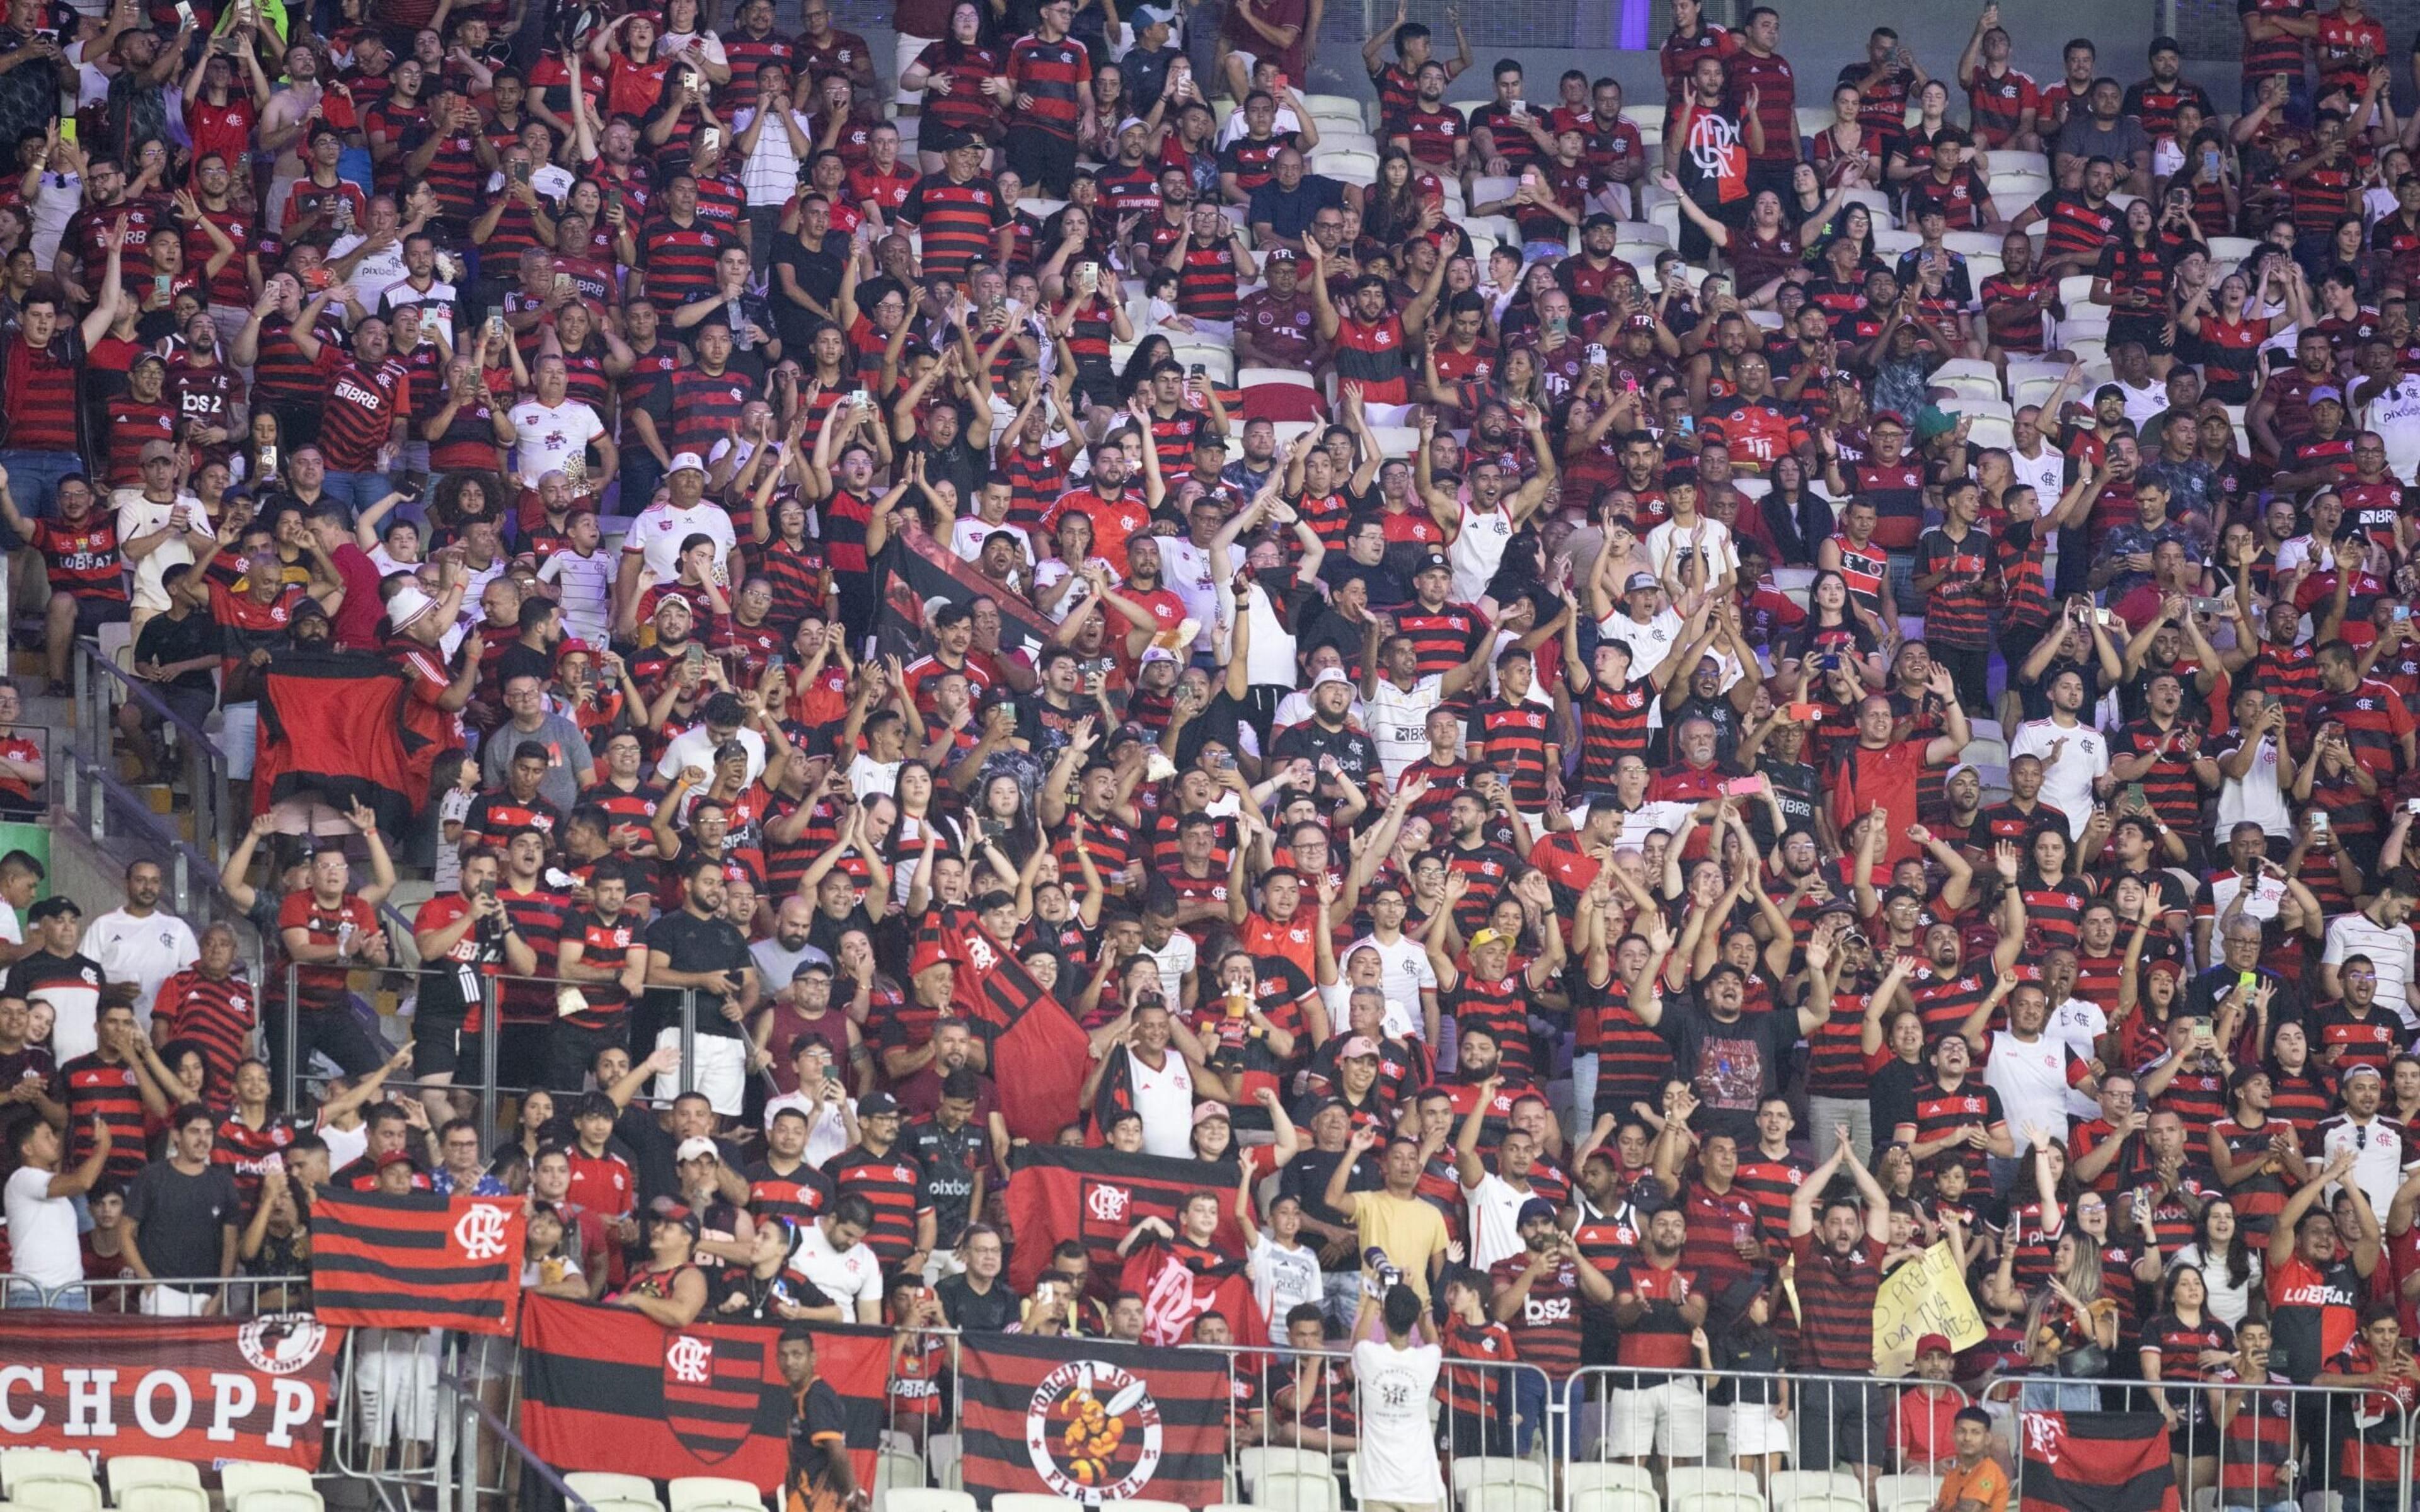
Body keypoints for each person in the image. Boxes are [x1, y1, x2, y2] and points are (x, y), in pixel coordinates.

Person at [3, 1115, 112, 1309]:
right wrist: (103, 1148)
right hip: (37, 1294)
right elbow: (82, 1182)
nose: (56, 1140)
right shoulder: (23, 1178)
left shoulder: (52, 1185)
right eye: (47, 1136)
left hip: (70, 1292)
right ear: (27, 1149)